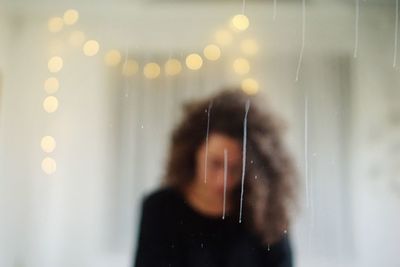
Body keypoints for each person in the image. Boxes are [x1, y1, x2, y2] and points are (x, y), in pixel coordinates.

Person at [134, 88, 298, 267]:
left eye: (236, 168)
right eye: (215, 163)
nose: (223, 179)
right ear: (192, 152)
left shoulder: (265, 210)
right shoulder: (159, 208)